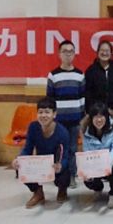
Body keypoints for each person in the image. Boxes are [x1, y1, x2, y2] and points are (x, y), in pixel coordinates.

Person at [12, 97, 70, 208]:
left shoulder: (62, 132)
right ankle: (38, 193)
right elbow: (27, 149)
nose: (43, 115)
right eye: (40, 112)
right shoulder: (33, 127)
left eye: (47, 112)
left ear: (54, 114)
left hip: (55, 164)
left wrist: (60, 165)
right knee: (20, 167)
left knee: (66, 171)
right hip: (39, 164)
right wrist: (19, 159)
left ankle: (62, 190)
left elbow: (65, 156)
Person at [46, 39, 85, 189]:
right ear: (59, 54)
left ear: (74, 54)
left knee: (73, 149)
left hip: (75, 120)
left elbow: (82, 98)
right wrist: (51, 119)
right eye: (65, 51)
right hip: (59, 121)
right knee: (59, 148)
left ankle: (72, 176)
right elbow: (49, 100)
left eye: (71, 51)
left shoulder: (79, 74)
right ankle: (60, 175)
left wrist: (82, 118)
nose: (68, 54)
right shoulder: (53, 75)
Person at [80, 102, 113, 208]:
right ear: (91, 118)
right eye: (96, 117)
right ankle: (98, 188)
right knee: (86, 176)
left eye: (101, 116)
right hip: (95, 162)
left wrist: (108, 162)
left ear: (106, 117)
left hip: (110, 162)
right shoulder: (86, 130)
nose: (99, 120)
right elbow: (86, 151)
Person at [85, 40, 113, 112]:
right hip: (97, 111)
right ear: (97, 52)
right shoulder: (91, 70)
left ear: (111, 53)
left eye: (107, 51)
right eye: (102, 50)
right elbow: (87, 92)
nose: (104, 53)